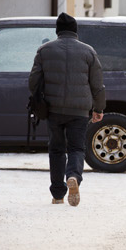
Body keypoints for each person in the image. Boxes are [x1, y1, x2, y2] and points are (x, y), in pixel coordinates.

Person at [28, 12, 104, 206]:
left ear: (58, 31)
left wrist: (41, 100)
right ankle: (73, 177)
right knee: (77, 148)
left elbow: (33, 82)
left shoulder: (45, 50)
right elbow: (97, 84)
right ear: (75, 31)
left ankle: (58, 194)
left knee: (56, 150)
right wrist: (99, 108)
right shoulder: (88, 52)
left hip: (53, 110)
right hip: (79, 110)